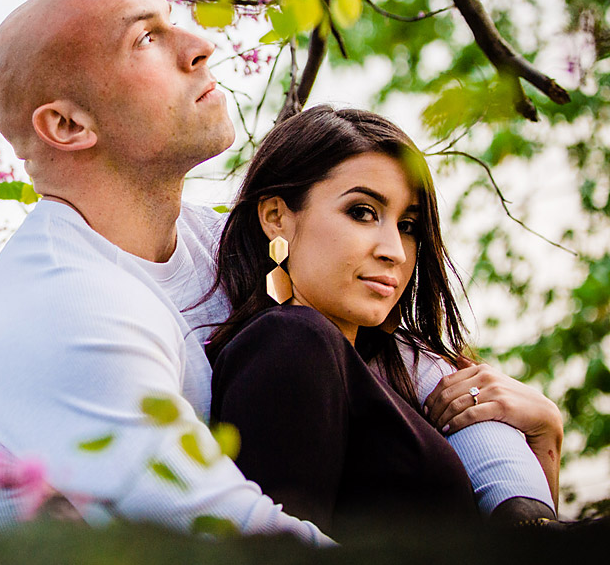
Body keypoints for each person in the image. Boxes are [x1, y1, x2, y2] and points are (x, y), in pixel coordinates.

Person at [0, 0, 555, 540]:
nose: (201, 45)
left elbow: (432, 381)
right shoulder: (60, 309)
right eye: (146, 38)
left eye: (175, 22)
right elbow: (229, 544)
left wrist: (519, 506)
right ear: (67, 124)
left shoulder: (213, 244)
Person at [204, 107, 561, 533]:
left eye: (408, 225)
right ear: (276, 216)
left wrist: (544, 437)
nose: (394, 249)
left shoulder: (408, 376)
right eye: (362, 211)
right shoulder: (288, 341)